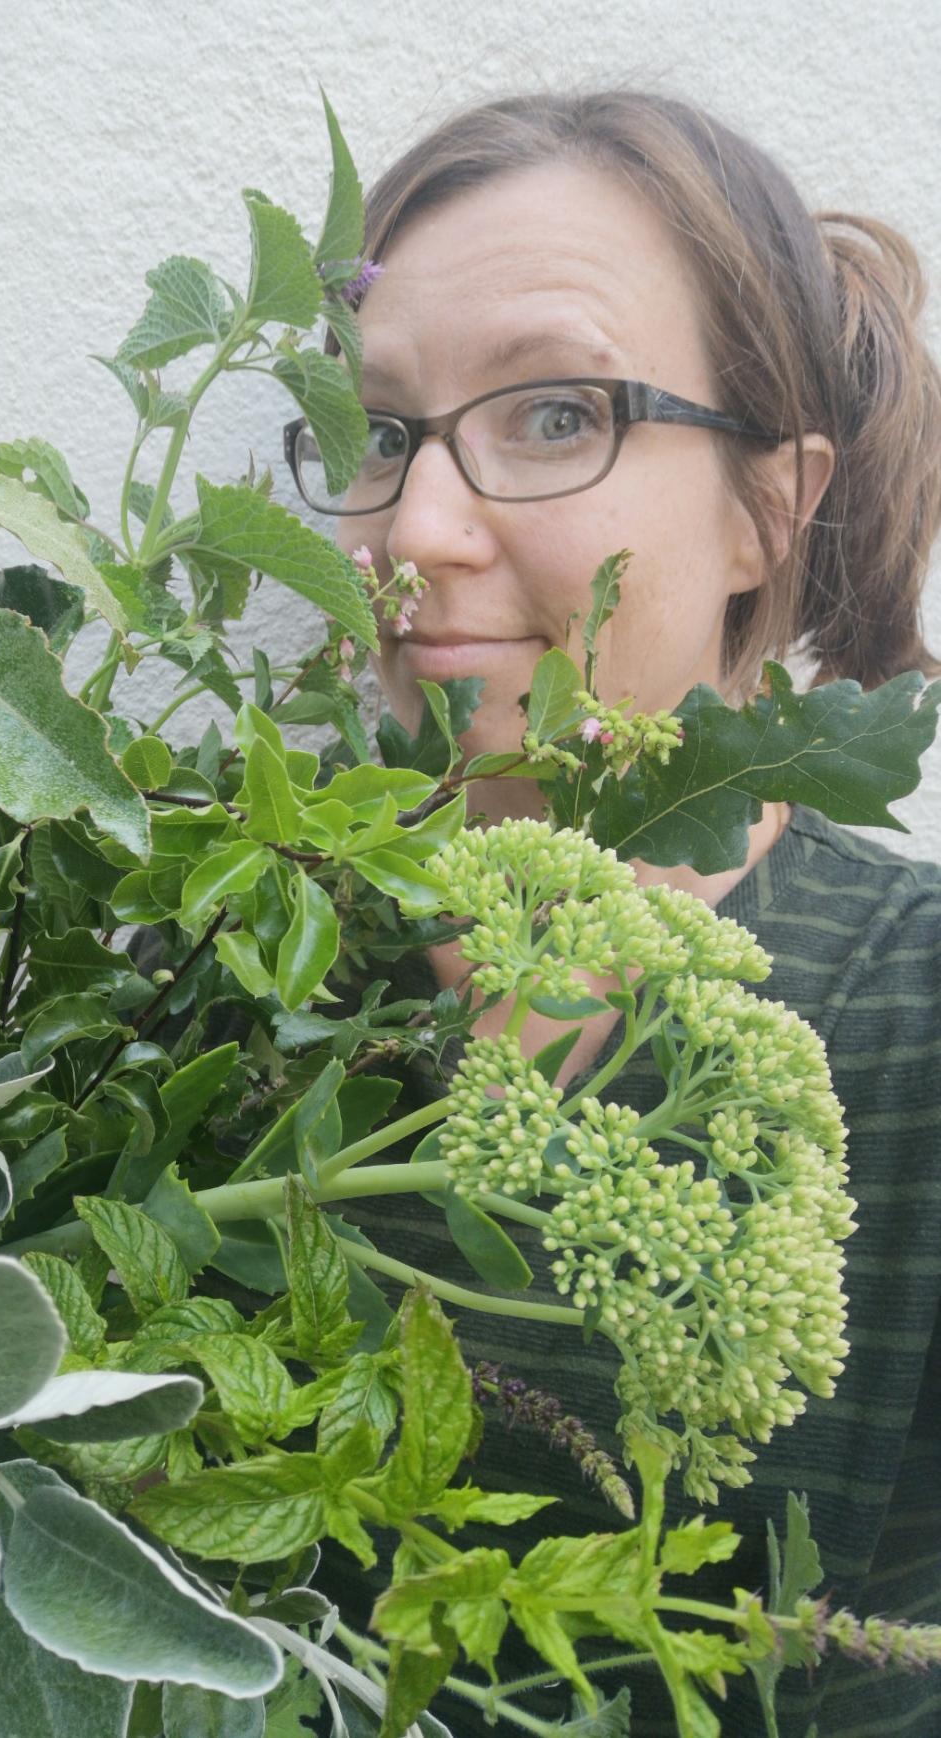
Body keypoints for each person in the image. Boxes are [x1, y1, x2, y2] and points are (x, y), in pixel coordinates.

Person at [280, 91, 941, 1735]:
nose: (414, 534)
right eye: (381, 432)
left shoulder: (912, 1018)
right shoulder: (218, 964)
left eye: (557, 413)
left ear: (768, 510)